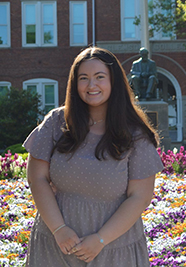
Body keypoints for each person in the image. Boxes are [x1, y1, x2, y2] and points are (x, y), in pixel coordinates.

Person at [23, 46, 163, 267]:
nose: (91, 85)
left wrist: (100, 239)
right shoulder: (56, 122)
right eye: (83, 78)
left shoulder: (135, 134)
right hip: (54, 244)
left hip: (114, 249)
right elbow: (37, 178)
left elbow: (140, 197)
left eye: (100, 77)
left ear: (114, 81)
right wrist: (59, 229)